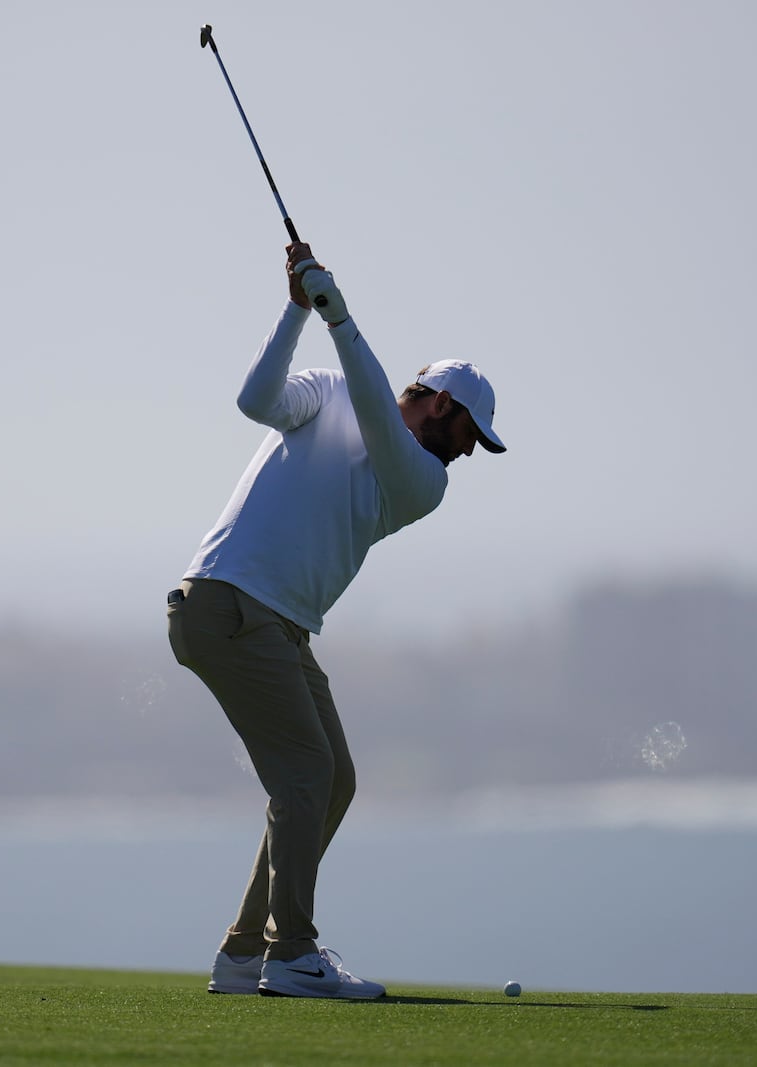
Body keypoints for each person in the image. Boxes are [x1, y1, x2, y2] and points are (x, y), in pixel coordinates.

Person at [166, 242, 507, 999]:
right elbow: (256, 402)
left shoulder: (422, 480)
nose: (467, 455)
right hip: (226, 605)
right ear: (444, 405)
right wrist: (299, 311)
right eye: (468, 437)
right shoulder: (329, 389)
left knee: (333, 780)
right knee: (307, 775)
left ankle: (243, 951)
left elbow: (384, 430)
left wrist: (339, 317)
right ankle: (291, 954)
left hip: (276, 625)